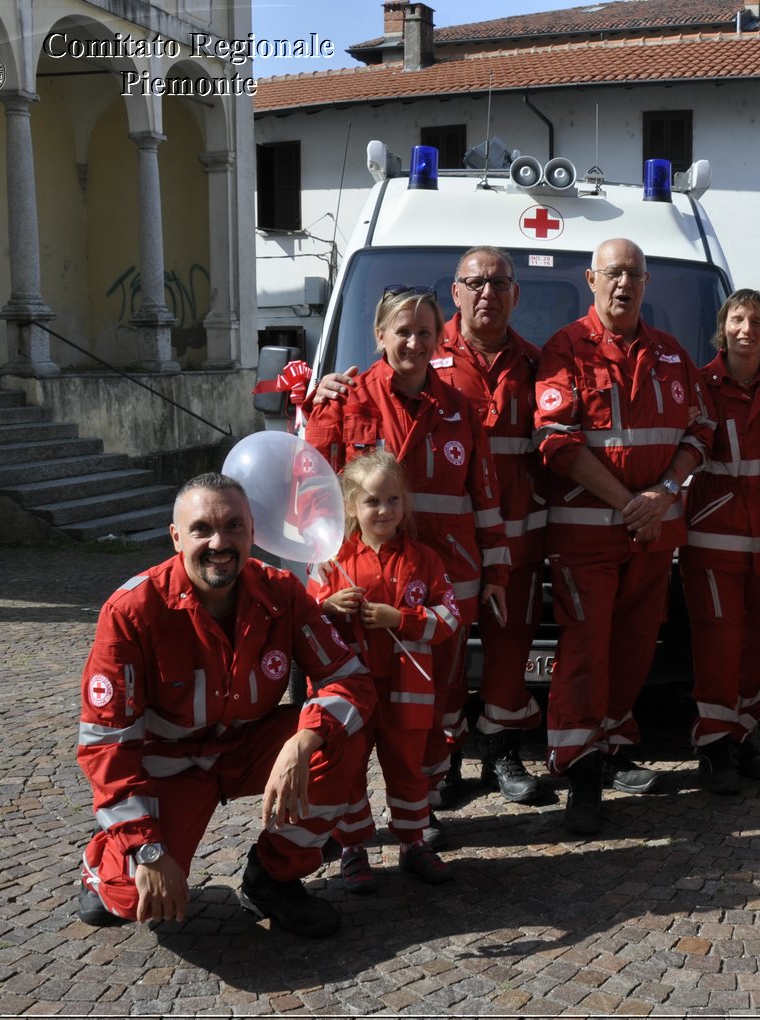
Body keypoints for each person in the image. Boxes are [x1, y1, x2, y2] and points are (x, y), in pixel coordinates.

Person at [76, 474, 374, 938]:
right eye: (202, 529)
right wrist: (149, 851)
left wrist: (304, 741)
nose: (220, 542)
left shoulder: (283, 593)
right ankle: (104, 861)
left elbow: (349, 678)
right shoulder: (131, 610)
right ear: (176, 537)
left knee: (342, 734)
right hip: (167, 767)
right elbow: (106, 746)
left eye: (234, 526)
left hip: (244, 749)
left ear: (253, 530)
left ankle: (273, 879)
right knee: (133, 899)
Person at [304, 286, 509, 839]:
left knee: (437, 703)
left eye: (425, 332)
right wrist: (320, 583)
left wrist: (497, 571)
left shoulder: (460, 408)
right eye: (402, 331)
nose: (414, 342)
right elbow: (312, 497)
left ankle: (424, 805)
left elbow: (485, 494)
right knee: (342, 701)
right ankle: (333, 821)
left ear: (440, 336)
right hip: (357, 583)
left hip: (443, 578)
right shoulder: (343, 400)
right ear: (380, 336)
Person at [532, 237, 715, 833]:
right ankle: (580, 773)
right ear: (591, 279)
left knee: (635, 650)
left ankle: (611, 746)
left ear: (646, 282)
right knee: (585, 653)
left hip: (652, 538)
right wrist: (631, 503)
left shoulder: (670, 353)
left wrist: (665, 493)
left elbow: (701, 432)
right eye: (612, 273)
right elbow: (556, 443)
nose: (623, 284)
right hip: (588, 540)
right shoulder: (565, 350)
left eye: (634, 274)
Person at [431, 246, 550, 805]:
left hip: (519, 541)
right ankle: (446, 760)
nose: (488, 293)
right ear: (454, 293)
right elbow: (371, 398)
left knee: (509, 653)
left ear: (516, 294)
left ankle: (502, 754)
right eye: (475, 283)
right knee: (445, 658)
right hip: (446, 547)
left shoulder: (538, 364)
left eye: (500, 283)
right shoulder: (422, 358)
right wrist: (330, 387)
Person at [311, 452, 458, 891]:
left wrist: (402, 620)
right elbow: (303, 620)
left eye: (393, 500)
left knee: (408, 767)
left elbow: (450, 618)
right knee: (348, 767)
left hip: (408, 689)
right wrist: (328, 607)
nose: (384, 510)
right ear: (351, 507)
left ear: (405, 504)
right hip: (350, 688)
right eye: (372, 501)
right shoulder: (331, 559)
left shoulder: (424, 559)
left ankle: (413, 842)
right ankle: (353, 848)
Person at [681, 289, 760, 794]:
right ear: (723, 326)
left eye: (757, 319)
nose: (747, 328)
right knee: (719, 644)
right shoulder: (701, 382)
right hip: (715, 536)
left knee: (758, 646)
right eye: (738, 318)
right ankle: (714, 748)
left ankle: (742, 733)